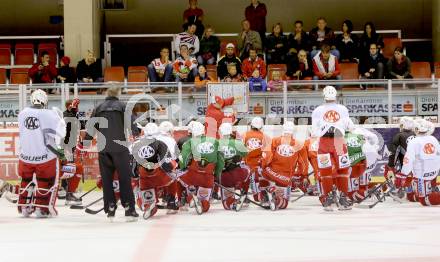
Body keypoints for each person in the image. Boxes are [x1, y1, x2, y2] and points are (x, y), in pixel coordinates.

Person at [85, 86, 138, 221]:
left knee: (107, 180)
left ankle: (110, 208)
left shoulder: (99, 107)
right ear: (118, 94)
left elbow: (91, 128)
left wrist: (85, 143)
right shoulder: (123, 106)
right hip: (120, 148)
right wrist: (135, 134)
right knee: (125, 179)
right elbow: (132, 123)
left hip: (103, 149)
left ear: (107, 93)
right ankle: (129, 209)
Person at [17, 89, 66, 218]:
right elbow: (60, 133)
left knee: (25, 181)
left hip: (25, 157)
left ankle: (25, 208)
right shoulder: (49, 114)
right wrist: (60, 118)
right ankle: (42, 209)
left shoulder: (22, 113)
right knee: (46, 181)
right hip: (45, 158)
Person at [311, 86, 353, 211]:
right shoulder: (343, 109)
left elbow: (314, 131)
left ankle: (328, 197)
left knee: (325, 171)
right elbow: (349, 126)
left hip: (324, 141)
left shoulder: (318, 110)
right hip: (339, 140)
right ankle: (343, 197)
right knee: (343, 170)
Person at [134, 123, 177, 219]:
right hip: (160, 178)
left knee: (137, 186)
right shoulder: (161, 143)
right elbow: (167, 164)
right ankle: (171, 200)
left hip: (145, 181)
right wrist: (171, 171)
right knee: (173, 177)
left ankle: (147, 204)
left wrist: (135, 177)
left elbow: (132, 168)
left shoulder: (136, 145)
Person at [261, 121, 307, 210]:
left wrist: (263, 166)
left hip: (271, 173)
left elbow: (267, 157)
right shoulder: (300, 145)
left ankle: (266, 193)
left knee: (260, 171)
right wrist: (301, 175)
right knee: (284, 204)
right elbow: (303, 164)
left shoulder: (274, 140)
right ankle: (275, 195)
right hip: (285, 178)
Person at [178, 121, 219, 213]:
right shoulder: (215, 141)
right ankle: (203, 202)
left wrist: (183, 168)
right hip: (208, 177)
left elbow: (183, 158)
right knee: (205, 206)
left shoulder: (190, 142)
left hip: (193, 176)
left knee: (179, 178)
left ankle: (189, 198)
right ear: (203, 131)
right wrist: (216, 174)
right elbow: (220, 160)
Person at [400, 119, 440, 206]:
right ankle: (433, 189)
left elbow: (408, 160)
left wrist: (403, 174)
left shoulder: (414, 141)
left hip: (422, 174)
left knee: (423, 200)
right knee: (414, 194)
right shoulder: (433, 139)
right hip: (434, 173)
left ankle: (433, 194)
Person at [217, 123, 249, 211]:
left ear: (221, 132)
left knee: (226, 206)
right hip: (238, 173)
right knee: (248, 170)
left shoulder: (216, 143)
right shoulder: (238, 142)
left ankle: (232, 203)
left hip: (225, 177)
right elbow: (246, 154)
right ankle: (243, 190)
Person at [61, 98, 83, 205]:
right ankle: (67, 191)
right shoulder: (66, 115)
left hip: (71, 146)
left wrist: (80, 142)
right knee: (70, 168)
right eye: (75, 107)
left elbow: (78, 127)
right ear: (70, 106)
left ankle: (64, 188)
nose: (77, 109)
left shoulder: (74, 115)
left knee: (70, 167)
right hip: (66, 147)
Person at [242, 117, 268, 201]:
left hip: (247, 163)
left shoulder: (245, 134)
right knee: (258, 179)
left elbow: (241, 150)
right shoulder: (264, 136)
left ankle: (244, 195)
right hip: (259, 164)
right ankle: (260, 195)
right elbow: (267, 153)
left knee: (246, 180)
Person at [384, 117, 415, 182]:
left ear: (402, 125)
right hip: (419, 168)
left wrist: (390, 167)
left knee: (404, 183)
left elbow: (393, 153)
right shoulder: (418, 135)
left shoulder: (399, 136)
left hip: (405, 168)